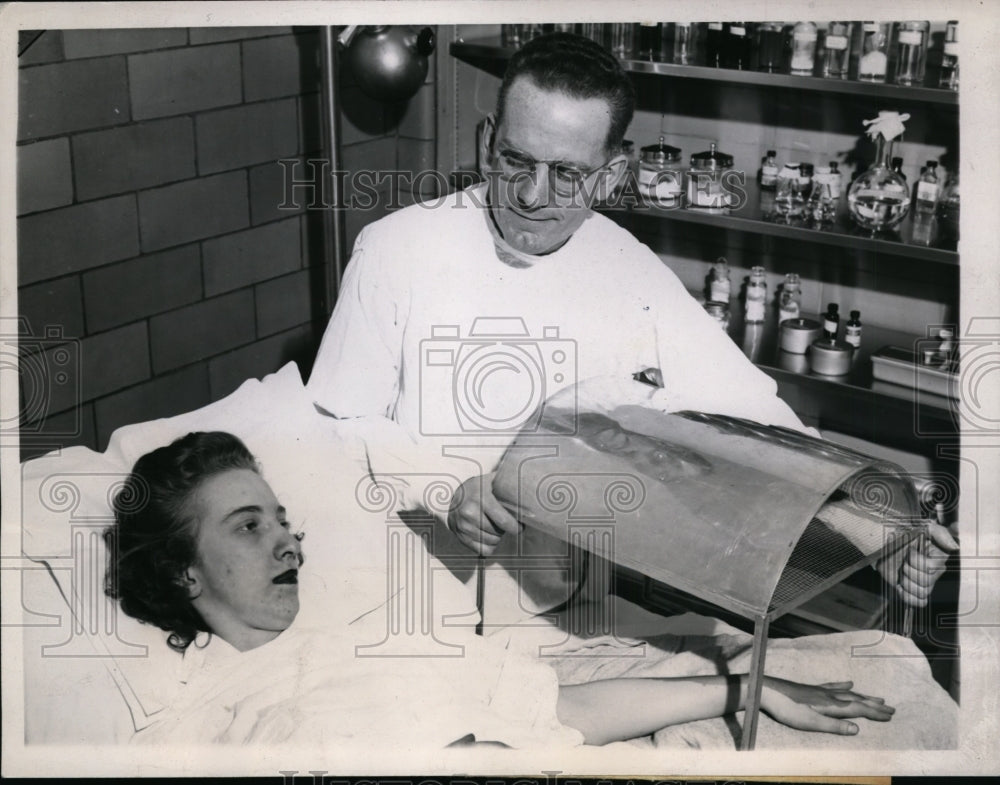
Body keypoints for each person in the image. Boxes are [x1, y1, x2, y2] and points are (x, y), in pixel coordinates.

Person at [306, 32, 956, 627]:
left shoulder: (626, 269)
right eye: (514, 159)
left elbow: (748, 407)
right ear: (485, 143)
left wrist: (869, 526)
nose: (534, 195)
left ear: (610, 177)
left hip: (563, 606)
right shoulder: (396, 249)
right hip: (416, 595)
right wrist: (445, 488)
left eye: (567, 173)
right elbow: (338, 425)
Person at [102, 431, 899, 747]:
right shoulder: (210, 721)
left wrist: (742, 686)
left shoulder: (360, 644)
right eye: (248, 527)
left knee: (888, 671)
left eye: (281, 518)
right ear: (184, 572)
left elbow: (554, 704)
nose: (286, 538)